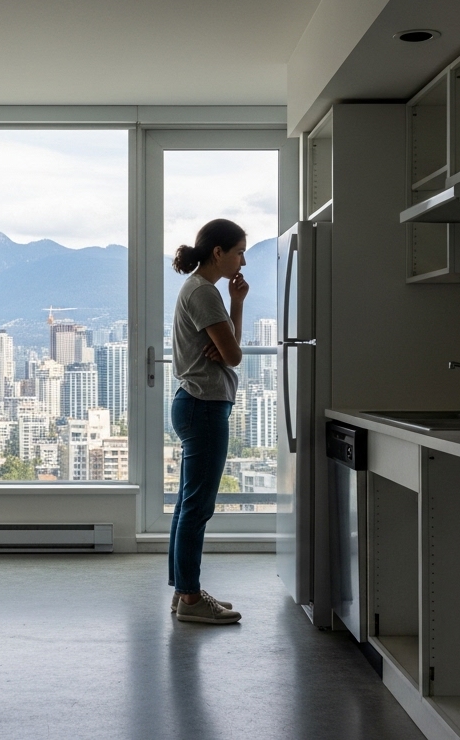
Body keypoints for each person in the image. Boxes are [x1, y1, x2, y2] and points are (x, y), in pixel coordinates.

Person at [167, 218, 248, 624]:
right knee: (197, 508)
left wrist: (236, 304)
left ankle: (184, 592)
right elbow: (233, 355)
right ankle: (192, 601)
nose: (243, 261)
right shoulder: (203, 293)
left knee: (187, 505)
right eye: (238, 252)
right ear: (218, 252)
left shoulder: (203, 290)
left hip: (193, 402)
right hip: (204, 404)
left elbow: (227, 348)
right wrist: (227, 344)